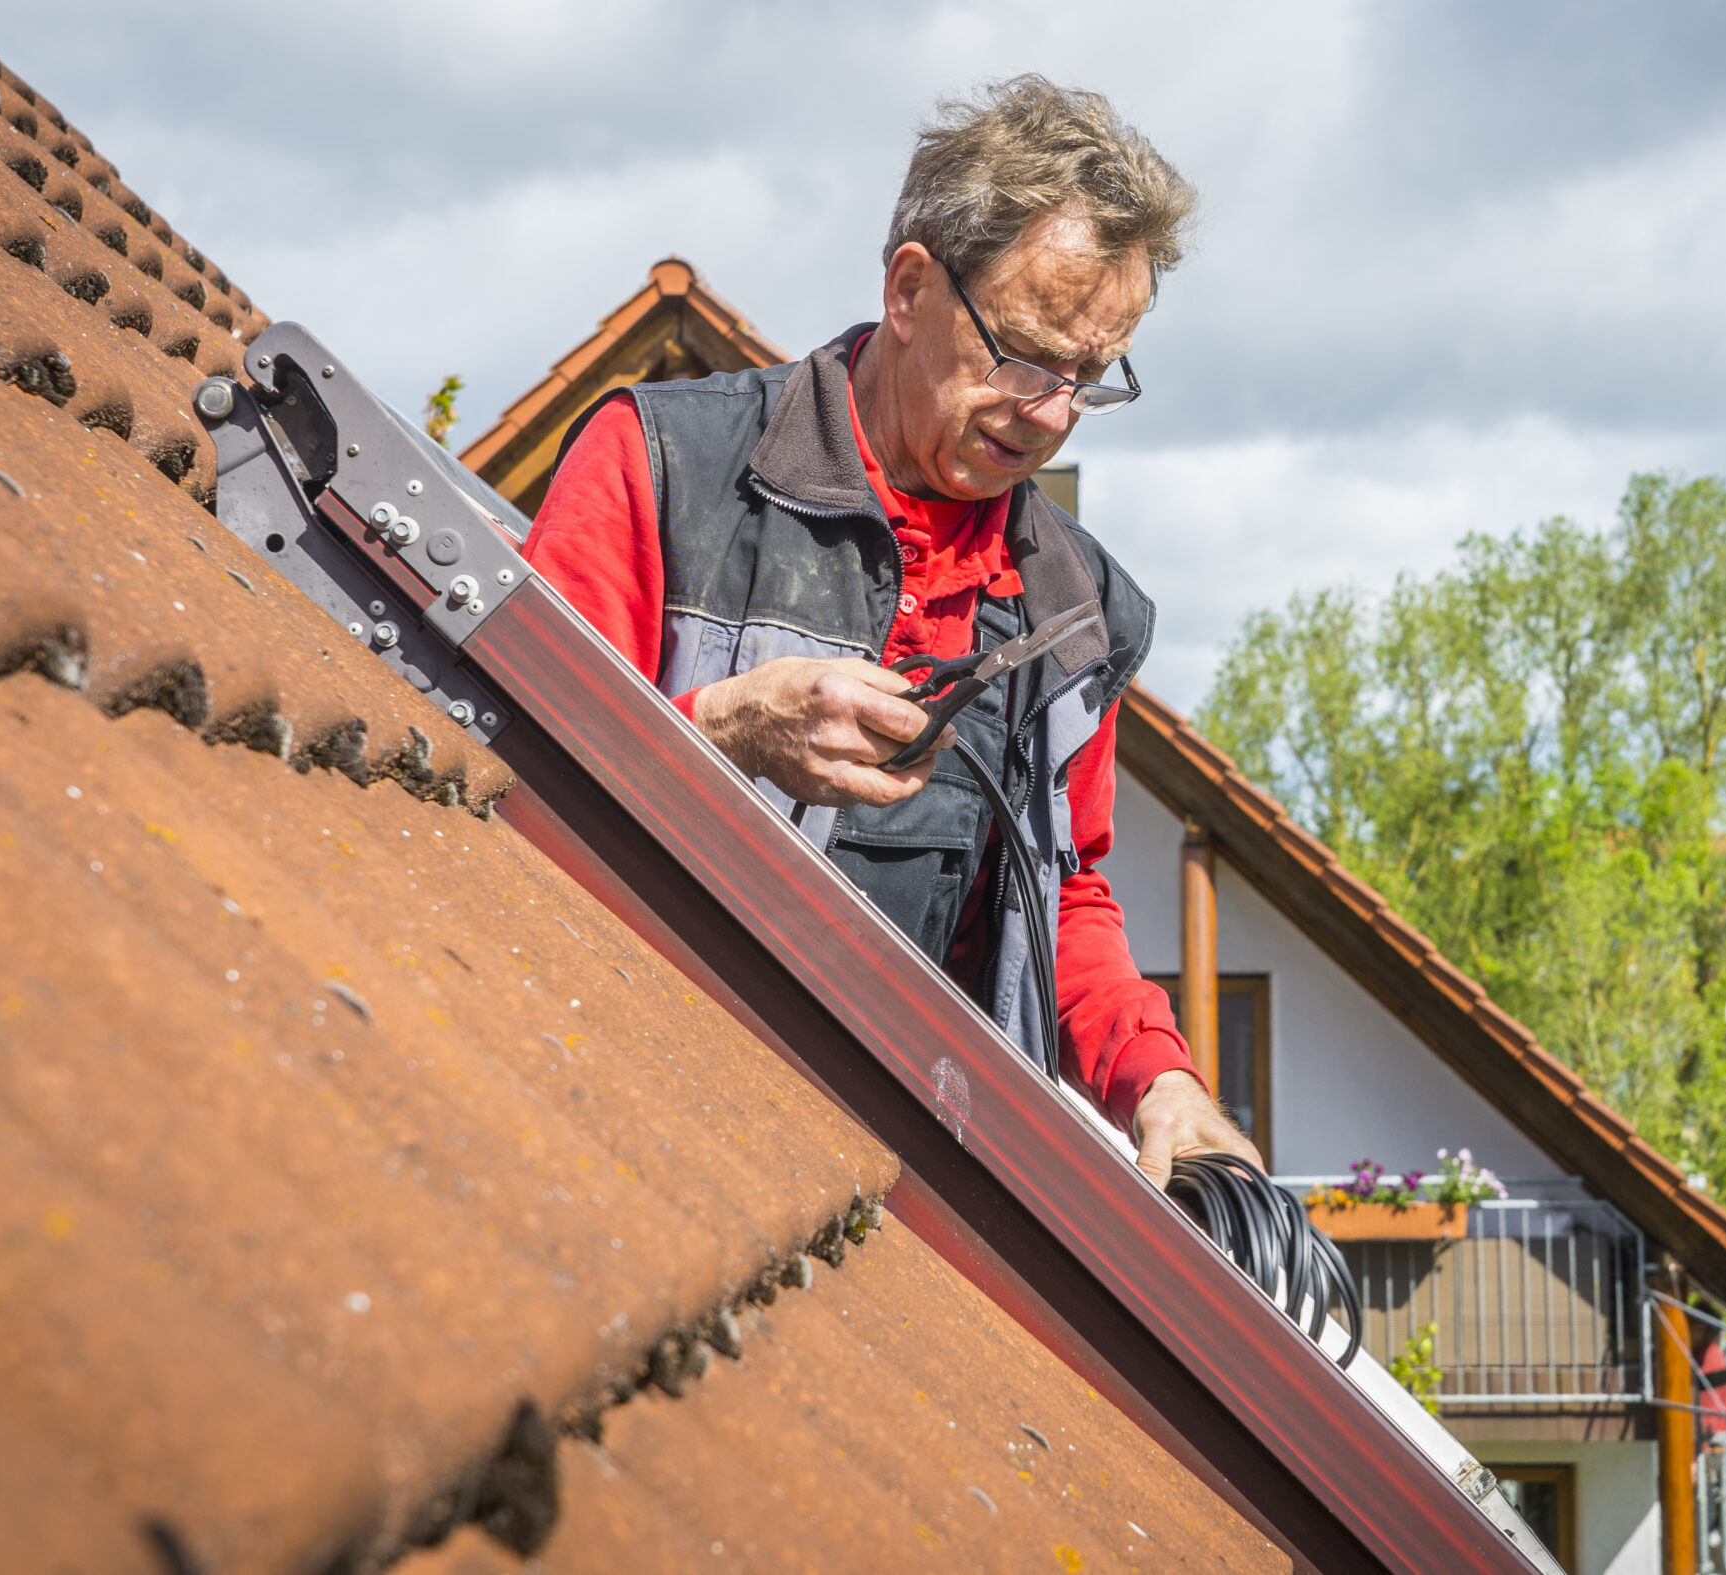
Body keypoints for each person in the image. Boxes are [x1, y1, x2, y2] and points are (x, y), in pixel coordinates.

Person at [522, 76, 1256, 1187]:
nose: (1052, 414)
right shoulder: (658, 465)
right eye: (1023, 355)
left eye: (1089, 378)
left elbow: (1067, 897)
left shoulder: (1078, 610)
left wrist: (1160, 1079)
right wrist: (714, 728)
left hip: (892, 1187)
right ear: (910, 288)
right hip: (613, 1110)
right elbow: (502, 757)